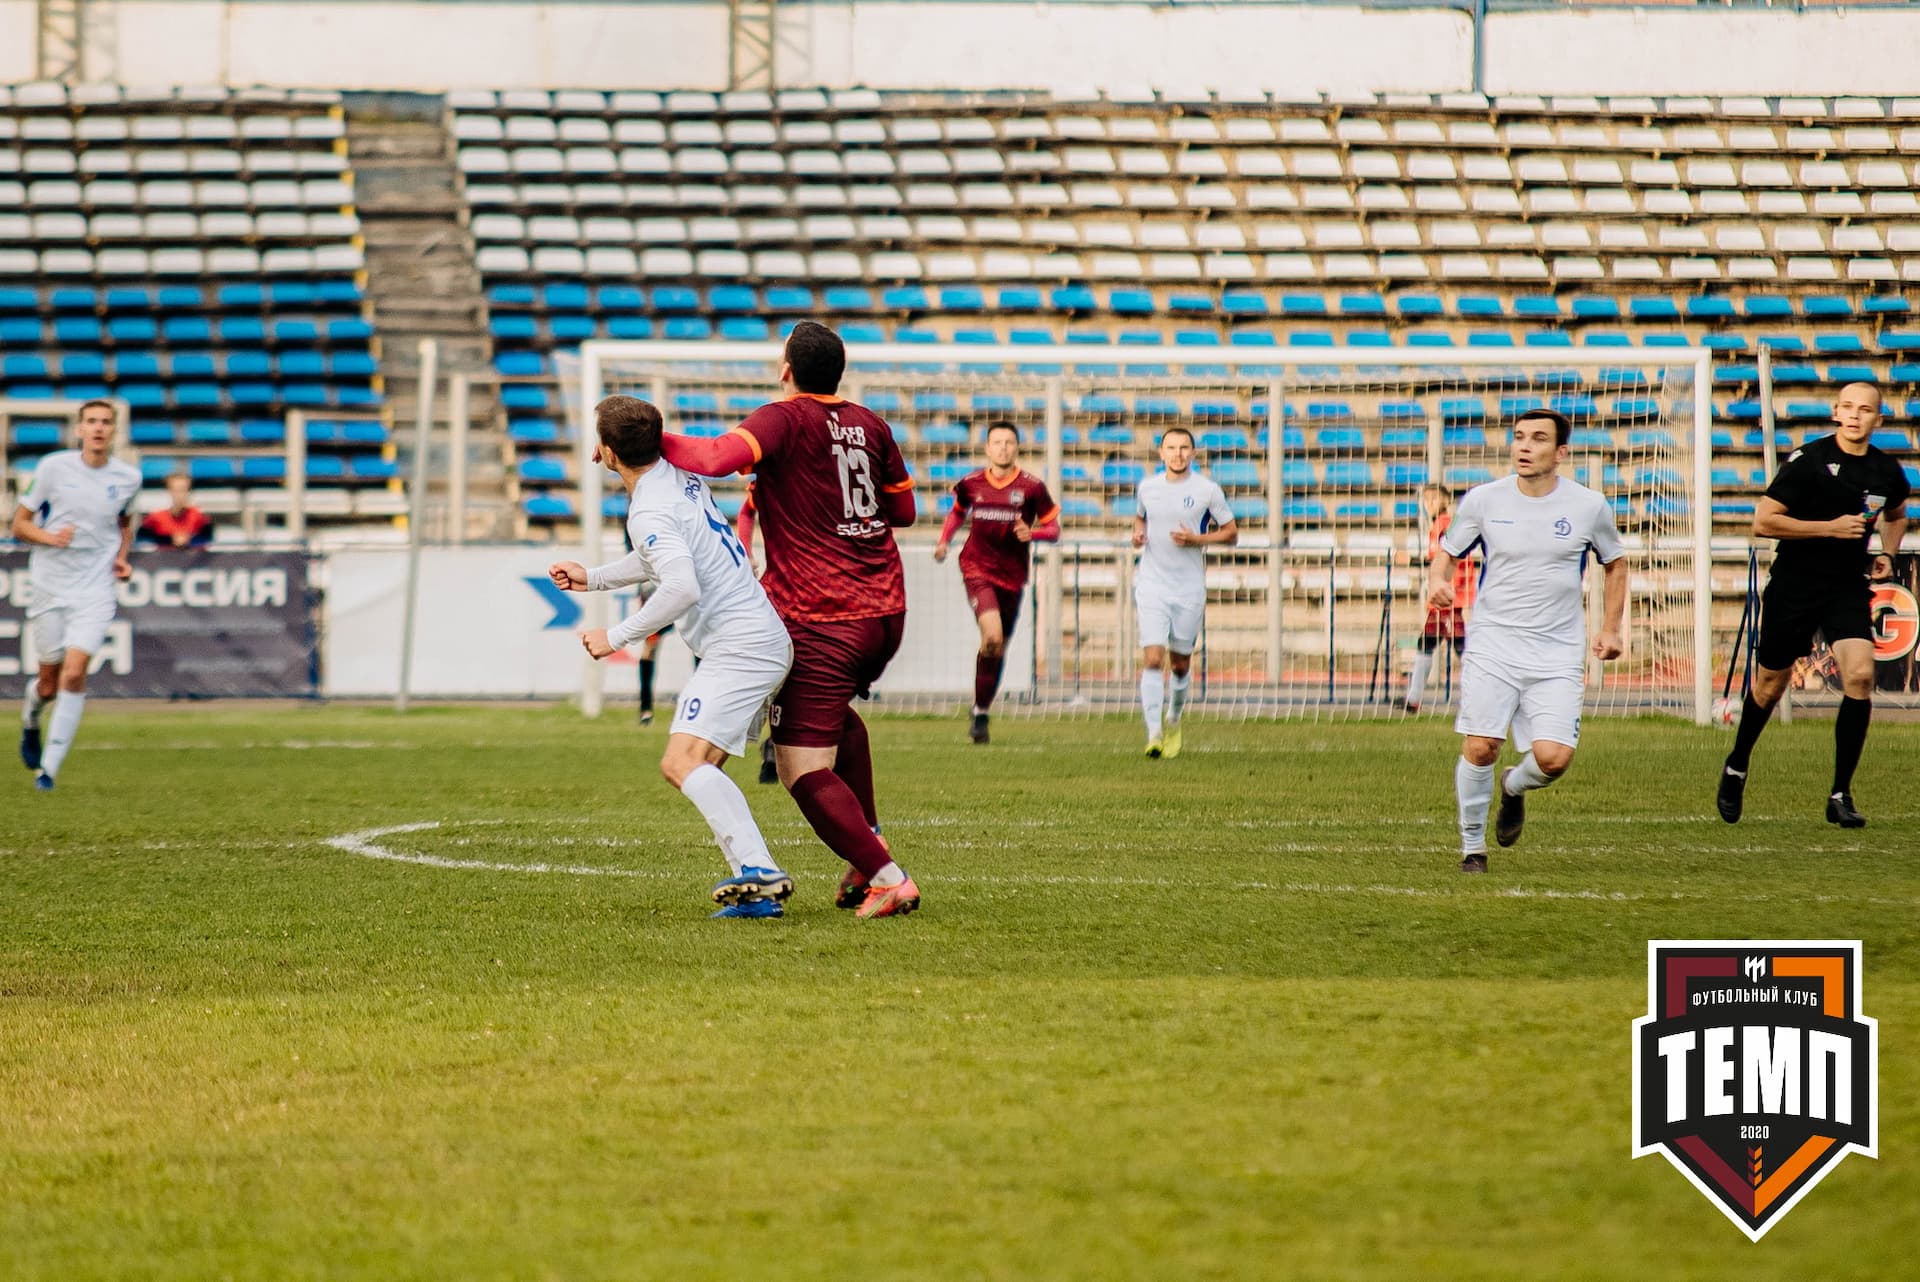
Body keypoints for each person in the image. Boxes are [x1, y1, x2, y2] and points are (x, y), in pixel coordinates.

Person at [657, 320, 923, 919]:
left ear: (786, 370)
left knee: (801, 763)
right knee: (840, 722)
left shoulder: (783, 418)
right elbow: (903, 509)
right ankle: (866, 846)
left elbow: (717, 458)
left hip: (824, 616)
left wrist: (649, 436)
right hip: (885, 609)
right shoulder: (871, 423)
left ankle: (887, 877)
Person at [547, 395, 797, 919]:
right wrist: (593, 578)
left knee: (679, 763)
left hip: (740, 648)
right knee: (703, 766)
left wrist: (616, 636)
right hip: (759, 639)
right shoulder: (678, 477)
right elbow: (664, 558)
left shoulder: (649, 508)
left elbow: (679, 585)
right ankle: (756, 892)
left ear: (608, 452)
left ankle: (758, 870)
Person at [1426, 408, 1627, 874]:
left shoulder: (1588, 506)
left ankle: (1514, 788)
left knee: (1553, 760)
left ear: (1560, 453)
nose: (1524, 446)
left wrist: (1611, 628)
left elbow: (1615, 563)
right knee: (1481, 746)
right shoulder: (1483, 500)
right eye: (1519, 437)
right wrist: (1438, 581)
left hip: (1557, 650)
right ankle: (1473, 848)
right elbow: (1448, 553)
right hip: (1494, 642)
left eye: (1538, 439)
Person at [1716, 382, 1908, 828]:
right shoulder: (1809, 461)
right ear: (1835, 413)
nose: (1855, 416)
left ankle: (1840, 793)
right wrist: (1827, 528)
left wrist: (1889, 552)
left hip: (1845, 586)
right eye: (1847, 408)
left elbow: (1897, 514)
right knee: (1769, 686)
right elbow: (1763, 522)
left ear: (1879, 419)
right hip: (1795, 584)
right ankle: (1737, 764)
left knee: (1860, 675)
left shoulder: (1884, 471)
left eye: (1865, 410)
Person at [13, 400, 140, 791]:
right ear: (79, 430)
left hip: (95, 588)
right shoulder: (54, 467)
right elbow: (19, 524)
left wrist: (121, 559)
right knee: (48, 682)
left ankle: (48, 769)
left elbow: (125, 522)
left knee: (74, 672)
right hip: (50, 583)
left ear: (113, 431)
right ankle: (31, 720)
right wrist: (50, 538)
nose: (98, 428)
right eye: (91, 422)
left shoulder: (129, 477)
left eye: (105, 422)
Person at [934, 421, 1061, 744]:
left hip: (1013, 577)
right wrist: (944, 540)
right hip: (976, 567)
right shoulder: (971, 483)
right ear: (987, 448)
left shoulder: (1032, 487)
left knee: (997, 647)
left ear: (1016, 448)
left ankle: (980, 710)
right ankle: (980, 712)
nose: (1003, 447)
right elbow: (957, 512)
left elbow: (1053, 529)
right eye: (997, 442)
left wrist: (1033, 533)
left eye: (1008, 442)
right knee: (992, 637)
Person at [1131, 427, 1236, 759]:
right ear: (1161, 453)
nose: (1177, 453)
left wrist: (1198, 540)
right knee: (1152, 658)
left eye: (1184, 448)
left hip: (1189, 588)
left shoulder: (1207, 491)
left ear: (1193, 453)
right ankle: (1154, 734)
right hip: (1151, 584)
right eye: (1171, 448)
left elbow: (1232, 533)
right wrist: (1137, 533)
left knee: (1179, 665)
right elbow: (1140, 518)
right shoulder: (1147, 487)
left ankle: (1173, 719)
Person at [1404, 484, 1472, 713]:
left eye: (1433, 499)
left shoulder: (1446, 526)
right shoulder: (1437, 527)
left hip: (1448, 598)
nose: (1428, 504)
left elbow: (1448, 560)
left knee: (1461, 649)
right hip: (1443, 599)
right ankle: (1413, 700)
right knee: (1429, 644)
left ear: (1443, 501)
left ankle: (1475, 699)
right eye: (1426, 500)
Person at [735, 484, 778, 785]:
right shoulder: (775, 478)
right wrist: (746, 552)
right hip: (782, 589)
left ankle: (776, 746)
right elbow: (748, 509)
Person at [135, 473, 214, 549]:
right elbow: (142, 542)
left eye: (183, 489)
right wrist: (170, 539)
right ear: (169, 491)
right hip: (162, 560)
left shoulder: (199, 517)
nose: (179, 494)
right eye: (175, 490)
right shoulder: (155, 518)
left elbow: (208, 541)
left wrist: (189, 540)